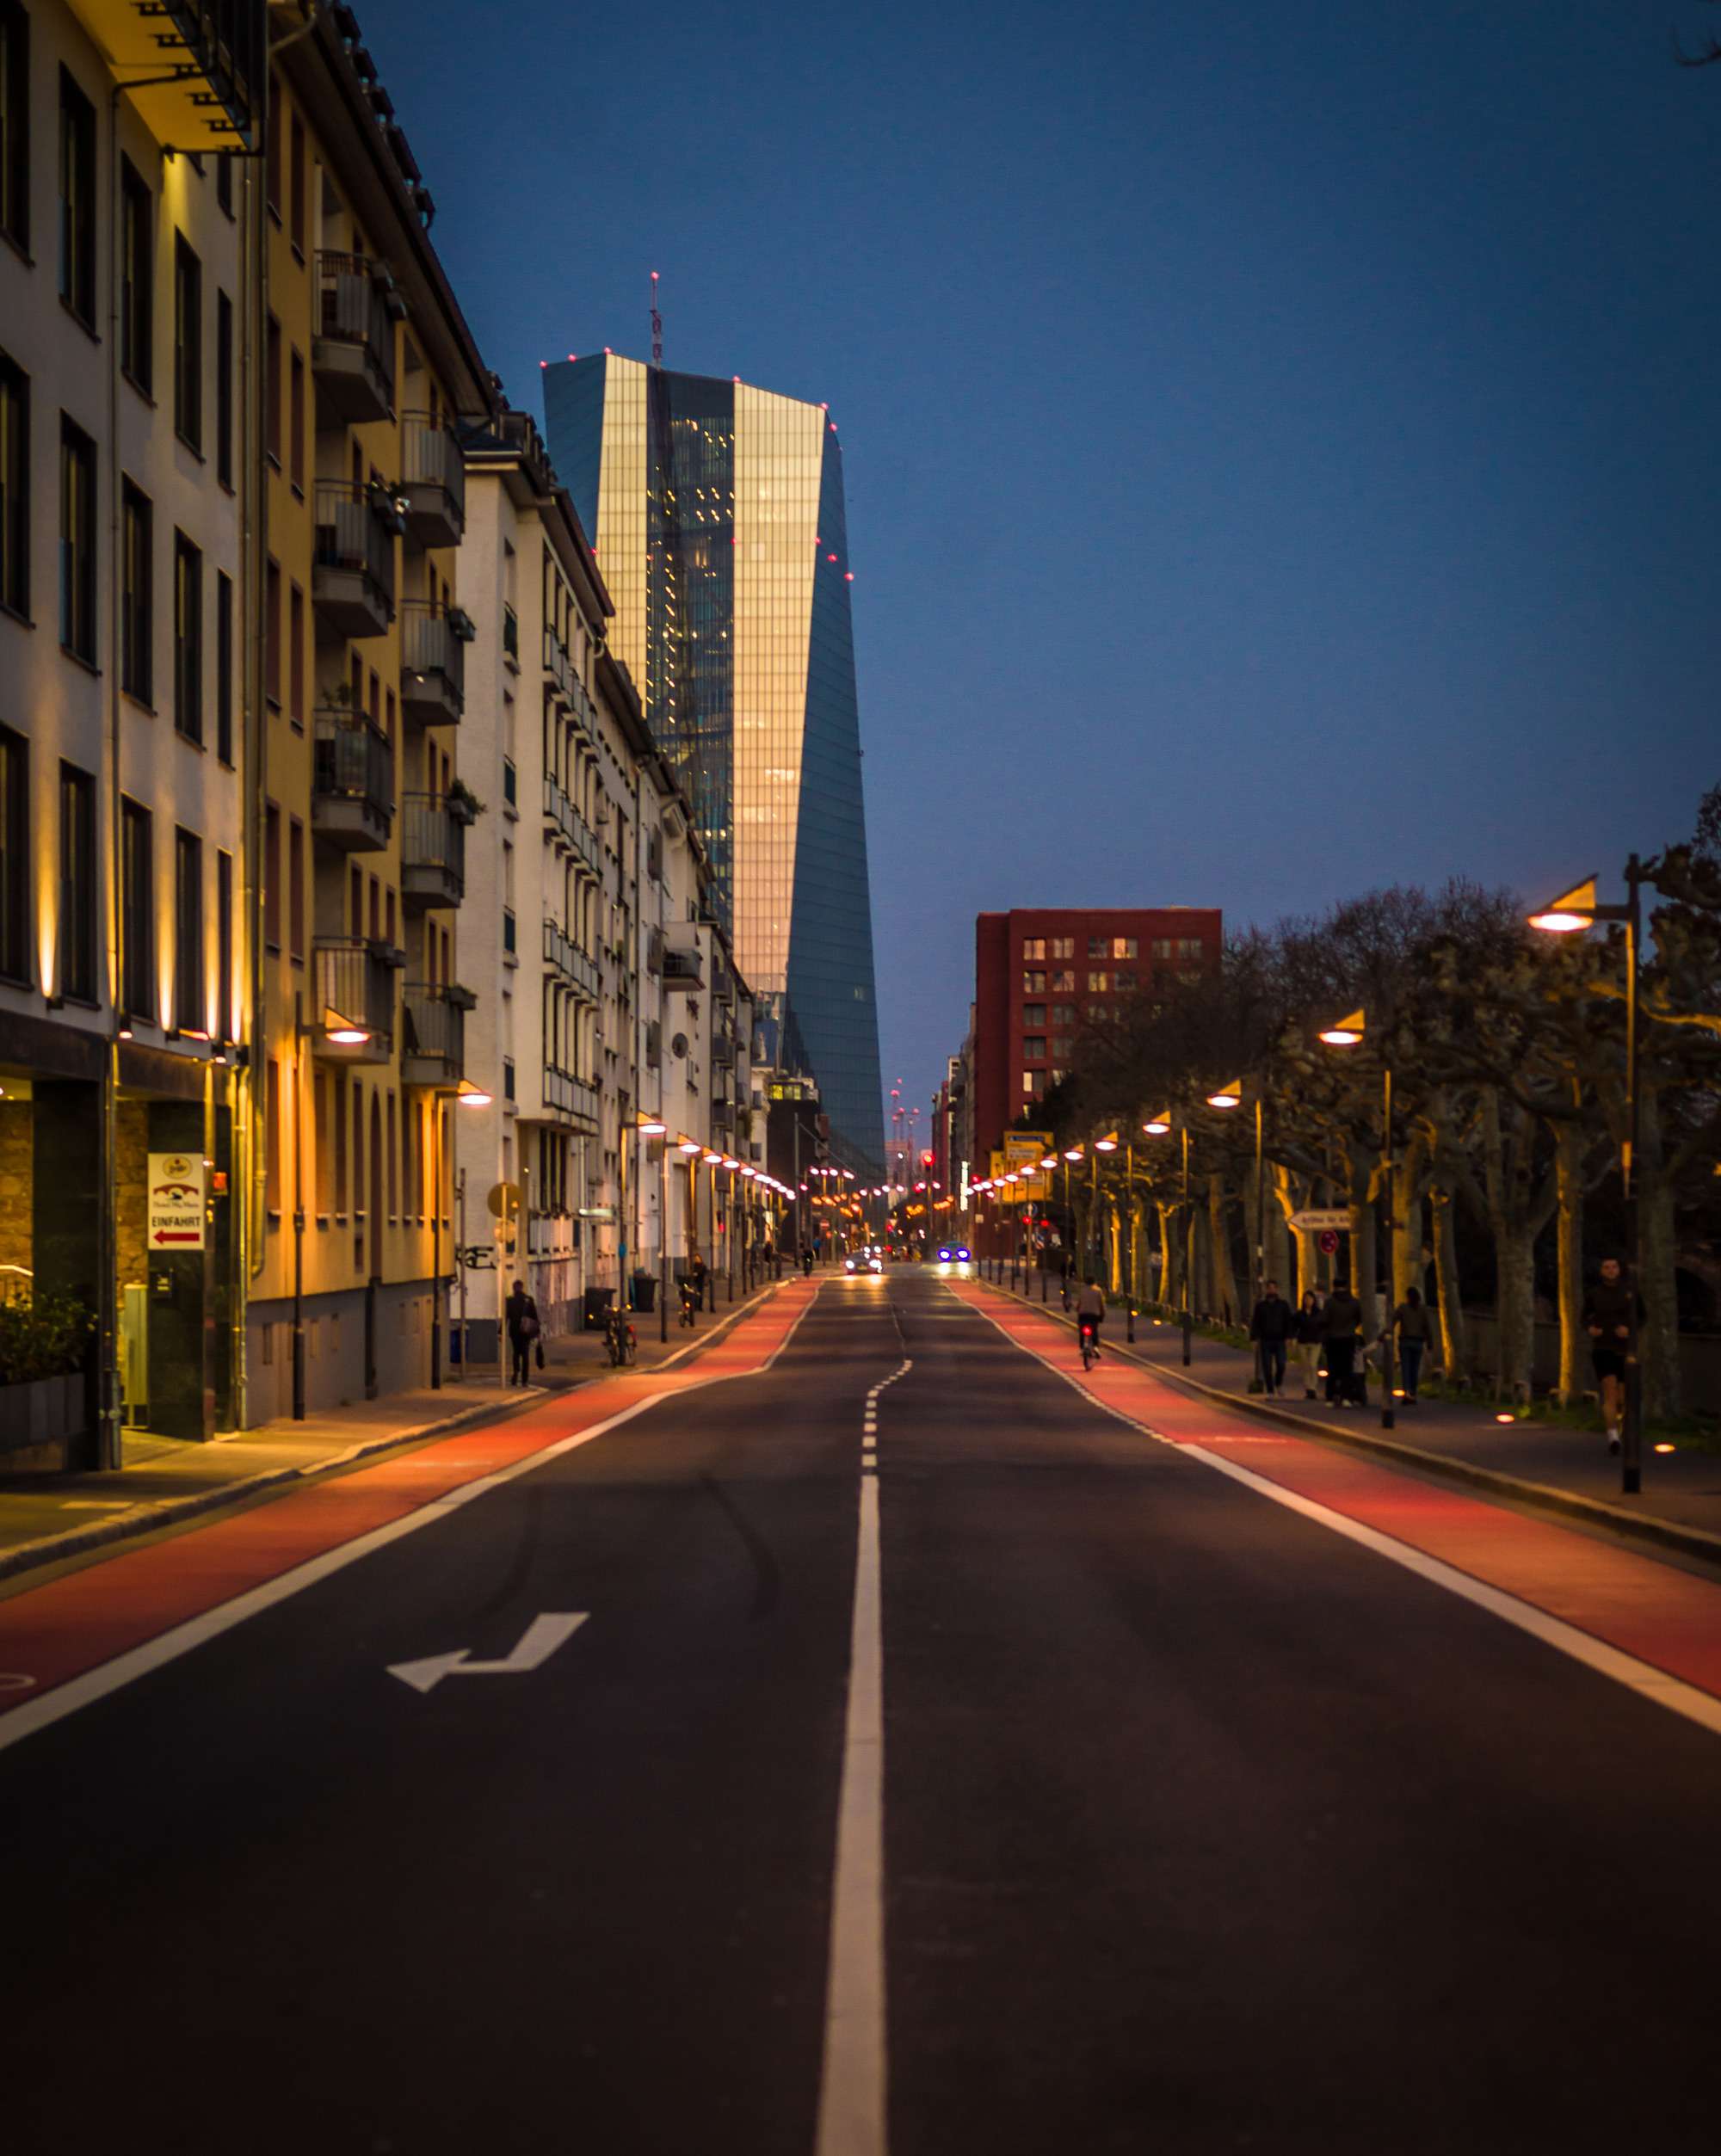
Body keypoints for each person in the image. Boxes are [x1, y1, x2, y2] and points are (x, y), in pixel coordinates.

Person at [1582, 1256, 1639, 1454]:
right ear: (1601, 1271)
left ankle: (1621, 1424)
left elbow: (1642, 1316)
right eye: (1606, 1267)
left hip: (1625, 1350)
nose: (1610, 1270)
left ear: (1619, 1269)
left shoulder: (1629, 1293)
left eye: (1614, 1267)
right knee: (1610, 1391)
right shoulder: (1594, 1294)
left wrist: (1630, 1330)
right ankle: (1612, 1435)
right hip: (1603, 1348)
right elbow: (1584, 1317)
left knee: (1623, 1397)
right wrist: (1591, 1329)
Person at [1249, 1280, 1295, 1396]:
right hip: (1265, 1340)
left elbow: (1288, 1322)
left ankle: (1278, 1383)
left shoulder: (1283, 1305)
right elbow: (1256, 1323)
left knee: (1281, 1364)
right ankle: (1270, 1389)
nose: (1271, 1290)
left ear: (1277, 1290)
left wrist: (1289, 1337)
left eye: (1274, 1288)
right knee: (1267, 1366)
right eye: (1269, 1288)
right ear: (1266, 1290)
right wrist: (1254, 1338)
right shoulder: (1260, 1306)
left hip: (1280, 1339)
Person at [1321, 1281, 1363, 1406]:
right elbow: (1359, 1319)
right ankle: (1346, 1397)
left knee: (1333, 1369)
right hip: (1348, 1338)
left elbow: (1325, 1320)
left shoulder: (1330, 1302)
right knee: (1347, 1370)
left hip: (1333, 1339)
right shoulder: (1354, 1302)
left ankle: (1330, 1397)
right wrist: (1351, 1327)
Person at [1392, 1287, 1434, 1403]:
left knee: (1406, 1368)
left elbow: (1393, 1320)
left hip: (1405, 1341)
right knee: (1414, 1369)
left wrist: (1387, 1332)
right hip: (1418, 1342)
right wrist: (1430, 1342)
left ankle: (1407, 1393)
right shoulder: (1423, 1310)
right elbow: (1427, 1327)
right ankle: (1414, 1393)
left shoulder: (1403, 1308)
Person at [504, 1280, 540, 1388]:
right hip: (526, 1331)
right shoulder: (528, 1300)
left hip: (514, 1331)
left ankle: (516, 1373)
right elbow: (534, 1317)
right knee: (525, 1354)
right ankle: (525, 1380)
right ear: (522, 1287)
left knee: (516, 1353)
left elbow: (506, 1316)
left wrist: (500, 1331)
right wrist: (537, 1332)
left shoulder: (510, 1301)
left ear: (513, 1288)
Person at [1293, 1290, 1326, 1398]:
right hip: (1303, 1341)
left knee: (1312, 1364)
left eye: (1310, 1299)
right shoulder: (1299, 1314)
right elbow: (1294, 1326)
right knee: (1305, 1365)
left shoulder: (1319, 1314)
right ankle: (1308, 1388)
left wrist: (1322, 1337)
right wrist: (1293, 1338)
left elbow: (1323, 1326)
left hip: (1315, 1342)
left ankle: (1313, 1387)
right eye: (1306, 1299)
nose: (1308, 1301)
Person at [1076, 1275, 1105, 1357]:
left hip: (1083, 1314)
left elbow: (1079, 1304)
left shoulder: (1082, 1290)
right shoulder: (1098, 1291)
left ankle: (1082, 1348)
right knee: (1094, 1330)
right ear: (1095, 1282)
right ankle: (1095, 1347)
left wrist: (1077, 1309)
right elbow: (1101, 1305)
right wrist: (1102, 1314)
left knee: (1082, 1331)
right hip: (1094, 1314)